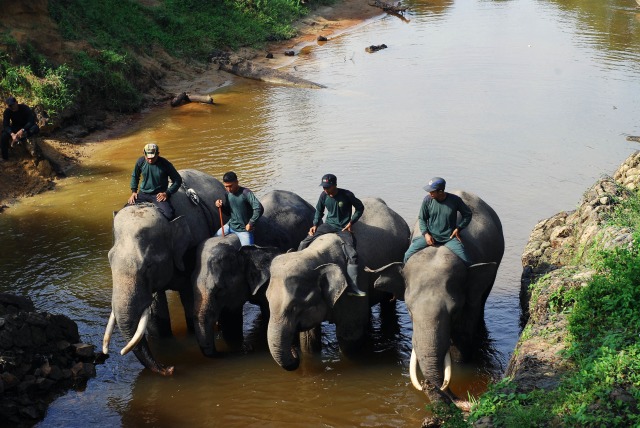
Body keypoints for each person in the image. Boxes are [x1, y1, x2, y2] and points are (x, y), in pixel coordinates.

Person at [298, 173, 366, 297]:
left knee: (353, 255)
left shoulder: (347, 195)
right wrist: (314, 225)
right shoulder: (324, 195)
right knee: (304, 242)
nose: (325, 189)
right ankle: (297, 270)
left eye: (328, 187)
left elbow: (360, 208)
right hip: (328, 225)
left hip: (343, 228)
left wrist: (351, 222)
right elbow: (319, 210)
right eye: (323, 187)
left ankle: (353, 287)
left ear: (335, 185)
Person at [403, 177, 473, 265]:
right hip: (431, 235)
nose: (430, 193)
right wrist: (426, 234)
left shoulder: (455, 200)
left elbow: (468, 214)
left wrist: (459, 228)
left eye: (432, 191)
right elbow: (422, 218)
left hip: (449, 238)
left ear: (440, 191)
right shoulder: (427, 200)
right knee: (407, 255)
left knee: (467, 261)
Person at [128, 143, 182, 219]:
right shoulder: (140, 162)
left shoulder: (165, 164)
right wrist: (134, 191)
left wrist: (167, 193)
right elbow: (135, 176)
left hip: (158, 195)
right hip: (143, 193)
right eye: (148, 158)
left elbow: (177, 180)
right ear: (144, 154)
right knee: (126, 209)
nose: (150, 160)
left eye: (152, 158)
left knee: (170, 215)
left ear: (158, 154)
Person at [214, 171, 263, 246]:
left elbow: (259, 208)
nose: (229, 189)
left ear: (237, 182)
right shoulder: (227, 194)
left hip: (244, 230)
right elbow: (228, 212)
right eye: (226, 186)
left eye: (230, 186)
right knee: (214, 238)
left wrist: (251, 223)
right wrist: (221, 206)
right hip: (230, 225)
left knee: (248, 252)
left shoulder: (246, 193)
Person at [1, 96, 40, 161]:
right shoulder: (7, 111)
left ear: (16, 102)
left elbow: (31, 121)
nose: (12, 107)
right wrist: (12, 134)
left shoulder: (25, 108)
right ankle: (5, 157)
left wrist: (23, 130)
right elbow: (6, 125)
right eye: (9, 106)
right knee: (4, 135)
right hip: (15, 127)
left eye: (13, 105)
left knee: (35, 128)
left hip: (26, 127)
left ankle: (23, 137)